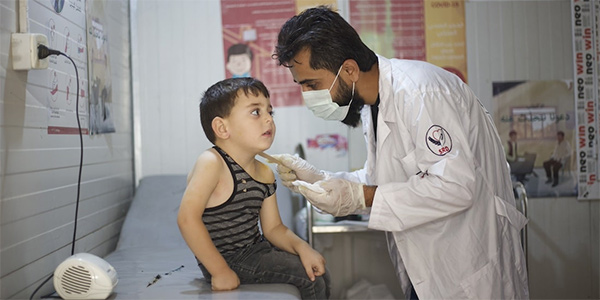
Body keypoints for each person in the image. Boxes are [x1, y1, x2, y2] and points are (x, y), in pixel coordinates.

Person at [270, 6, 529, 299]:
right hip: (428, 267)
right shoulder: (373, 103)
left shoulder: (420, 92)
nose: (307, 95)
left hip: (468, 266)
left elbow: (456, 185)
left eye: (312, 84)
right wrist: (321, 179)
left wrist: (359, 196)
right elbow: (379, 178)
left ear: (350, 69)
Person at [177, 77, 330, 299]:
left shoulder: (264, 172)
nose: (268, 119)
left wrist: (303, 248)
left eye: (270, 112)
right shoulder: (212, 163)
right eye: (256, 112)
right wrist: (220, 271)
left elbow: (274, 228)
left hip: (257, 250)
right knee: (309, 278)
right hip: (227, 259)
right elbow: (187, 219)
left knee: (319, 270)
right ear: (222, 127)